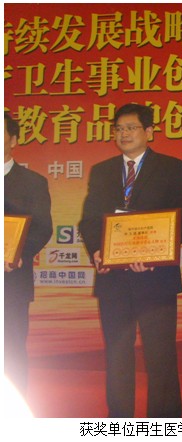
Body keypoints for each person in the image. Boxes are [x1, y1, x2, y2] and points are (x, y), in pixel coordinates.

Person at [78, 103, 182, 418]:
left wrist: (156, 256)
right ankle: (119, 424)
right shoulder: (102, 171)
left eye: (131, 127)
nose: (124, 134)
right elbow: (89, 220)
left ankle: (165, 426)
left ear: (149, 132)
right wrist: (97, 250)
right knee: (117, 356)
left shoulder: (171, 167)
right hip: (113, 279)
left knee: (161, 357)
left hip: (156, 278)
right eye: (119, 129)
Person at [4, 112, 53, 396]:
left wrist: (20, 255)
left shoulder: (32, 182)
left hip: (11, 280)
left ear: (13, 140)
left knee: (11, 349)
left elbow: (43, 227)